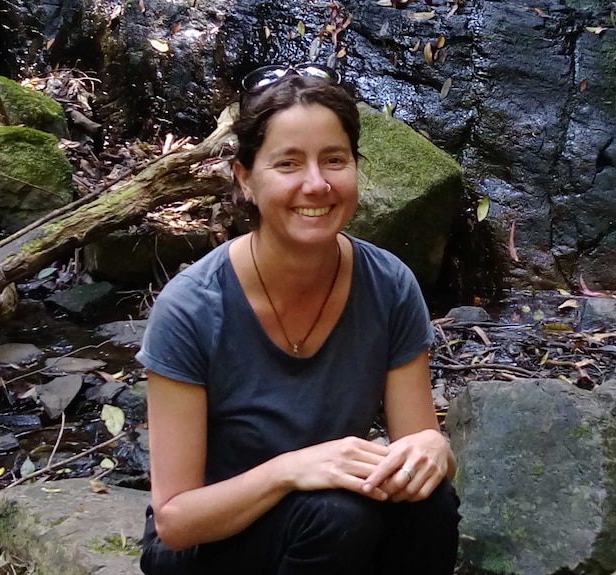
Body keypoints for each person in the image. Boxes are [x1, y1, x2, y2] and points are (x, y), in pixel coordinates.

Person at [135, 63, 461, 575]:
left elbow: (414, 441)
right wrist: (290, 472)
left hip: (326, 525)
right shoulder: (192, 307)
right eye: (288, 164)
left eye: (334, 160)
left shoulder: (389, 284)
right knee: (335, 513)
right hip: (207, 546)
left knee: (429, 500)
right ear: (244, 178)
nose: (316, 184)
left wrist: (433, 448)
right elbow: (176, 521)